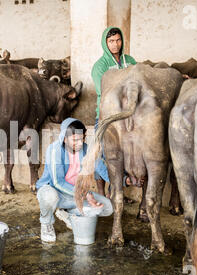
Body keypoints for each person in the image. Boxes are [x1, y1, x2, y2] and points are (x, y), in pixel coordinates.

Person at [36, 118, 113, 243]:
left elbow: (102, 169)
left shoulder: (87, 149)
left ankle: (66, 211)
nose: (79, 143)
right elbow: (57, 182)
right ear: (65, 139)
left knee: (108, 208)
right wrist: (85, 194)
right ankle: (46, 223)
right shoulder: (55, 150)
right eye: (75, 140)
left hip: (75, 194)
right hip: (55, 191)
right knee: (50, 197)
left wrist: (124, 180)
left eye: (82, 139)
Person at [91, 26, 137, 197]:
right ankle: (103, 191)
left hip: (128, 115)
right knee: (100, 152)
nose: (115, 44)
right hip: (106, 116)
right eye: (111, 41)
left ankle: (115, 190)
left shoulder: (130, 61)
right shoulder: (100, 66)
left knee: (125, 154)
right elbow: (103, 92)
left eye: (118, 40)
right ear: (105, 43)